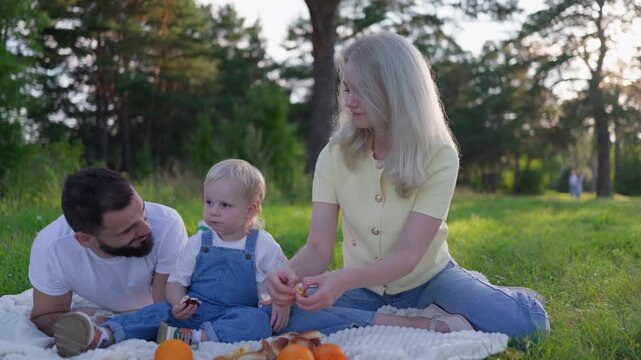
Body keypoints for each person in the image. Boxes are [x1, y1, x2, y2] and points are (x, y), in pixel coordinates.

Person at [269, 32, 549, 340]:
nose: (348, 102)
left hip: (430, 281)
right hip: (360, 288)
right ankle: (423, 324)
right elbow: (318, 248)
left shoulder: (439, 154)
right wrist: (291, 275)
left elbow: (409, 253)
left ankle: (494, 296)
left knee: (529, 327)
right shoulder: (333, 154)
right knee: (280, 318)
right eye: (346, 89)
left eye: (360, 91)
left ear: (394, 90)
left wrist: (342, 280)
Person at [52, 159, 290, 357]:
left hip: (237, 311)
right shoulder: (199, 242)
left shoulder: (262, 244)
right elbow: (176, 282)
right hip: (196, 308)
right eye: (208, 202)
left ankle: (197, 338)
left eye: (225, 205)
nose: (213, 211)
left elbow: (284, 279)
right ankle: (103, 334)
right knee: (158, 311)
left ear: (251, 209)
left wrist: (279, 301)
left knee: (258, 320)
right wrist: (178, 303)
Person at [29, 167, 188, 338]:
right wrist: (85, 327)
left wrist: (114, 326)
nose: (146, 229)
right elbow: (44, 316)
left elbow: (165, 312)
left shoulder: (167, 225)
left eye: (143, 212)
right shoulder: (52, 247)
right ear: (85, 240)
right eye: (128, 229)